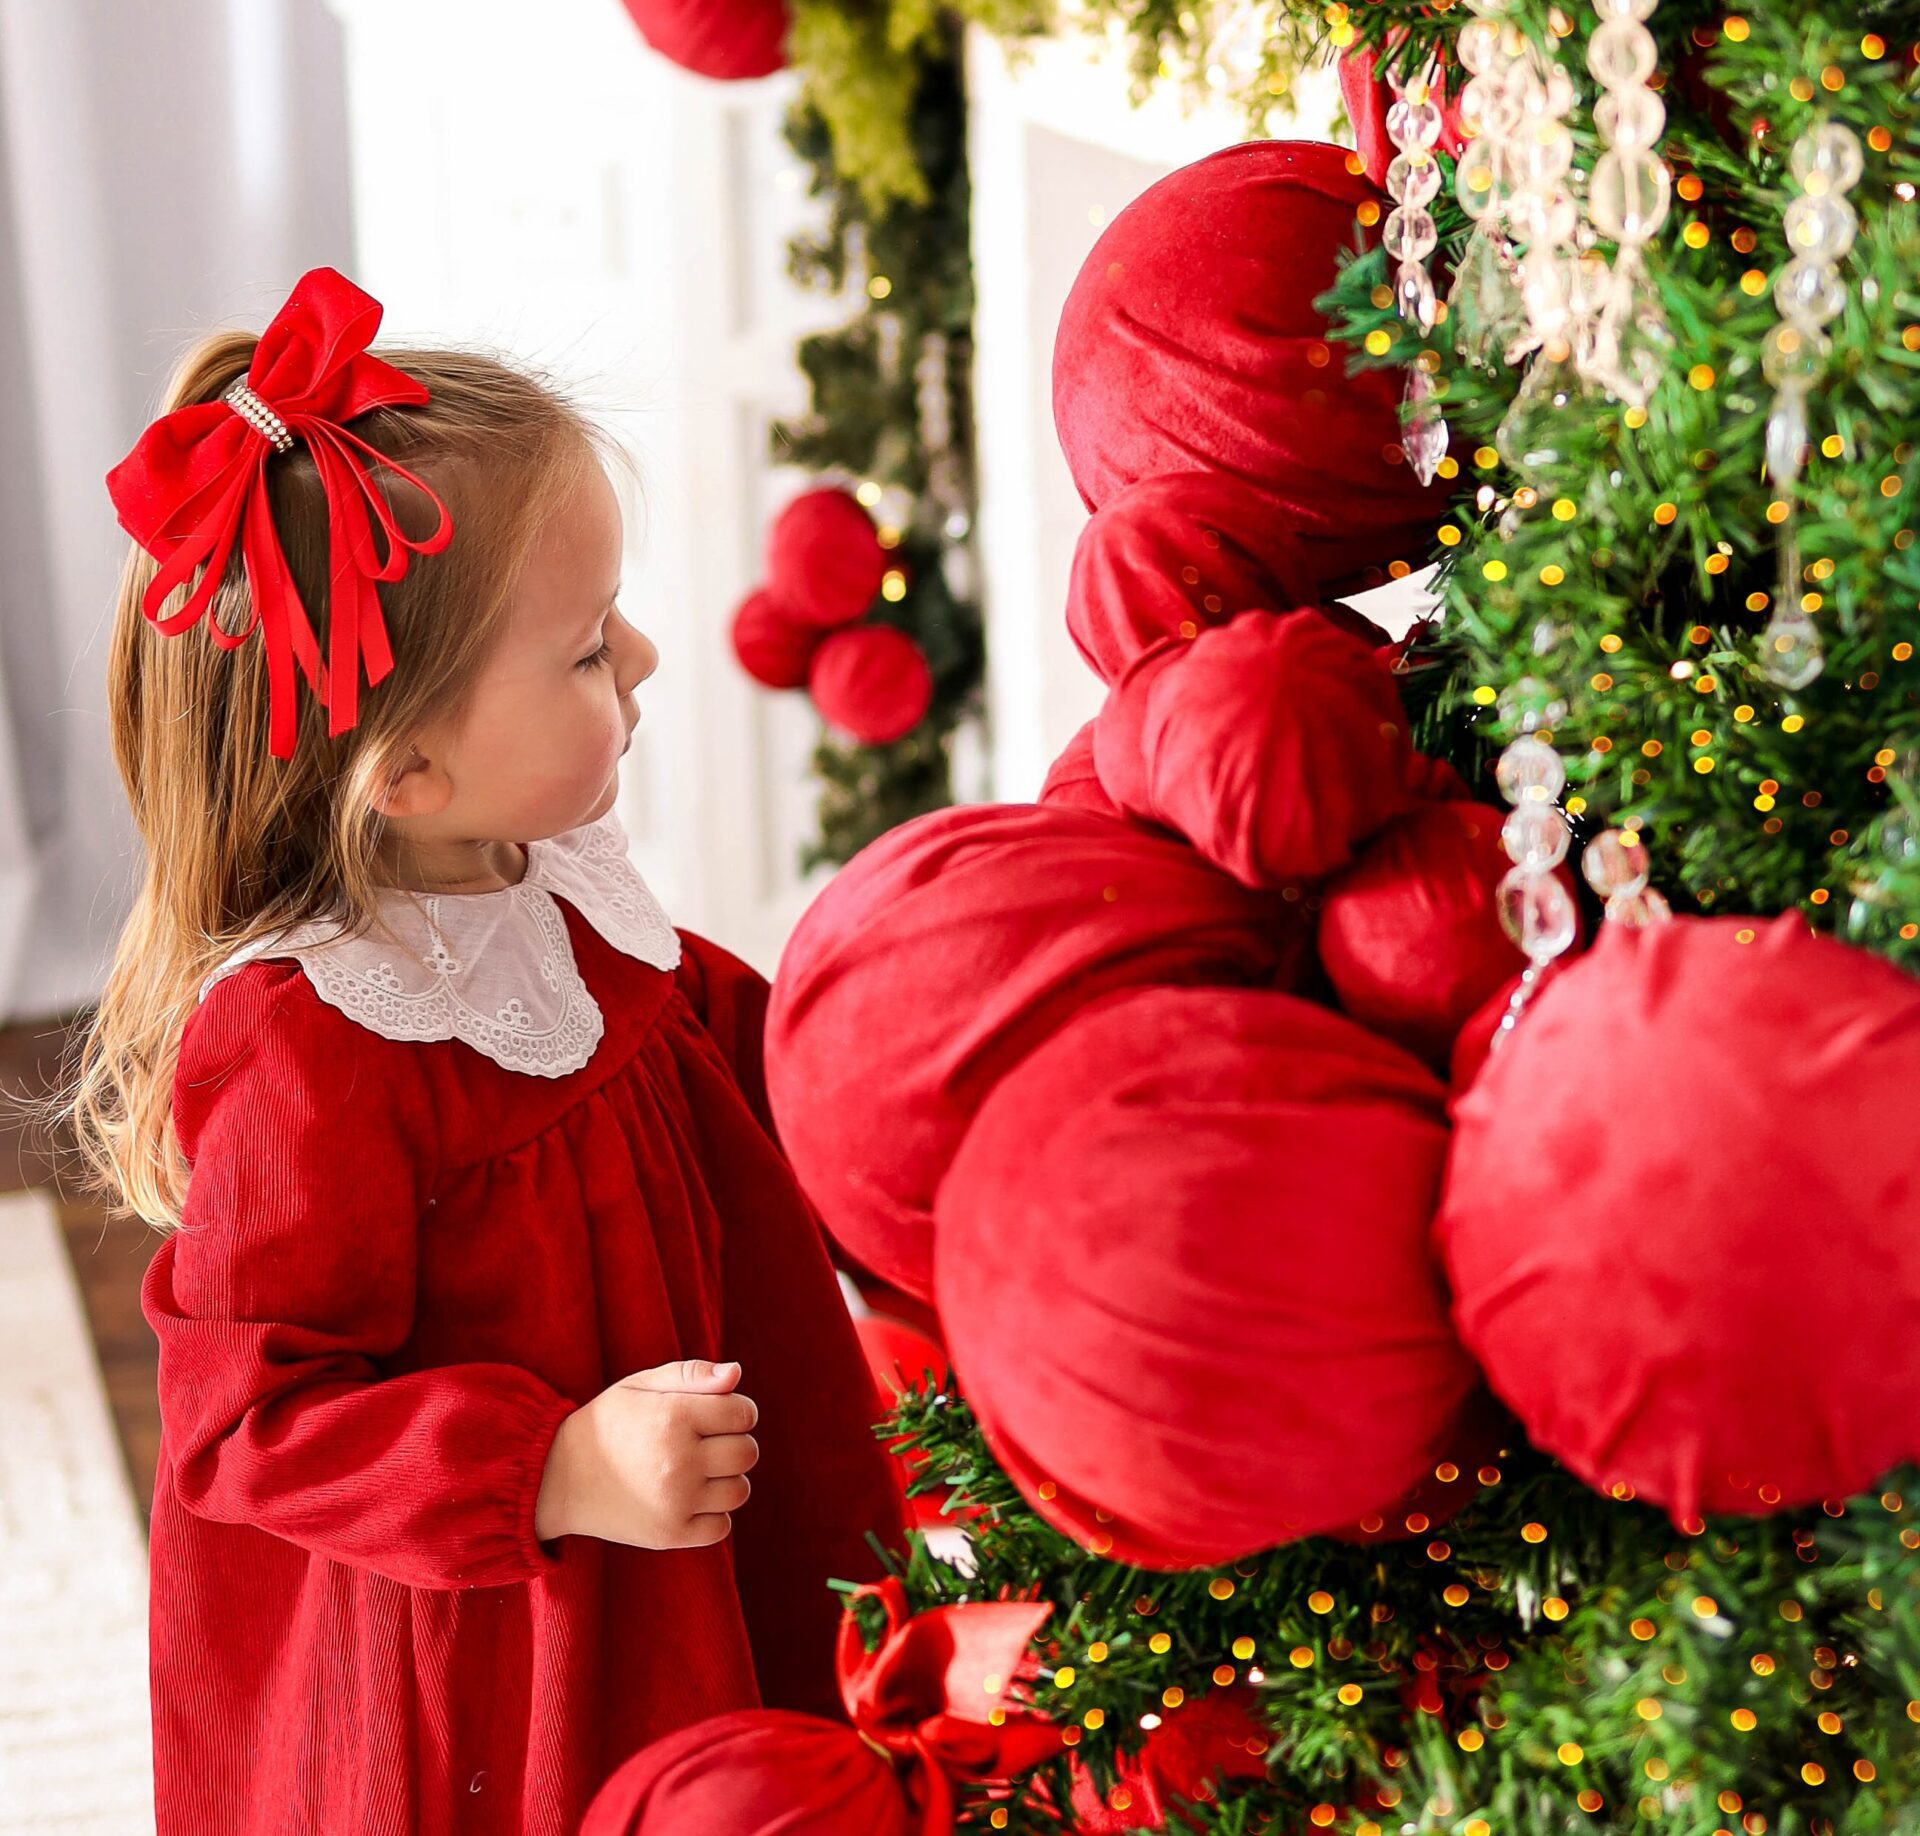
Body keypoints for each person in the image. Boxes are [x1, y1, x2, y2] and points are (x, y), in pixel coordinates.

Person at [70, 267, 903, 1836]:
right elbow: (250, 1423)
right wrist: (552, 1472)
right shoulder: (320, 1047)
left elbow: (712, 1051)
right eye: (589, 651)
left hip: (709, 1506)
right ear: (411, 773)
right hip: (521, 1628)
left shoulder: (551, 874)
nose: (646, 660)